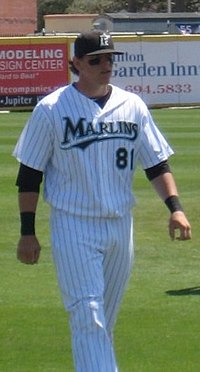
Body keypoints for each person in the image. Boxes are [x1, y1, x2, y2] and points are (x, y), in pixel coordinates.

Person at [13, 31, 191, 372]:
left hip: (120, 226)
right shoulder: (51, 109)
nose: (106, 64)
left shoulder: (132, 105)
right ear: (76, 64)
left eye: (110, 57)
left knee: (102, 322)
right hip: (73, 223)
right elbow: (29, 174)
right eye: (96, 59)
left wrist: (176, 208)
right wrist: (27, 231)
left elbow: (155, 163)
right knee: (88, 313)